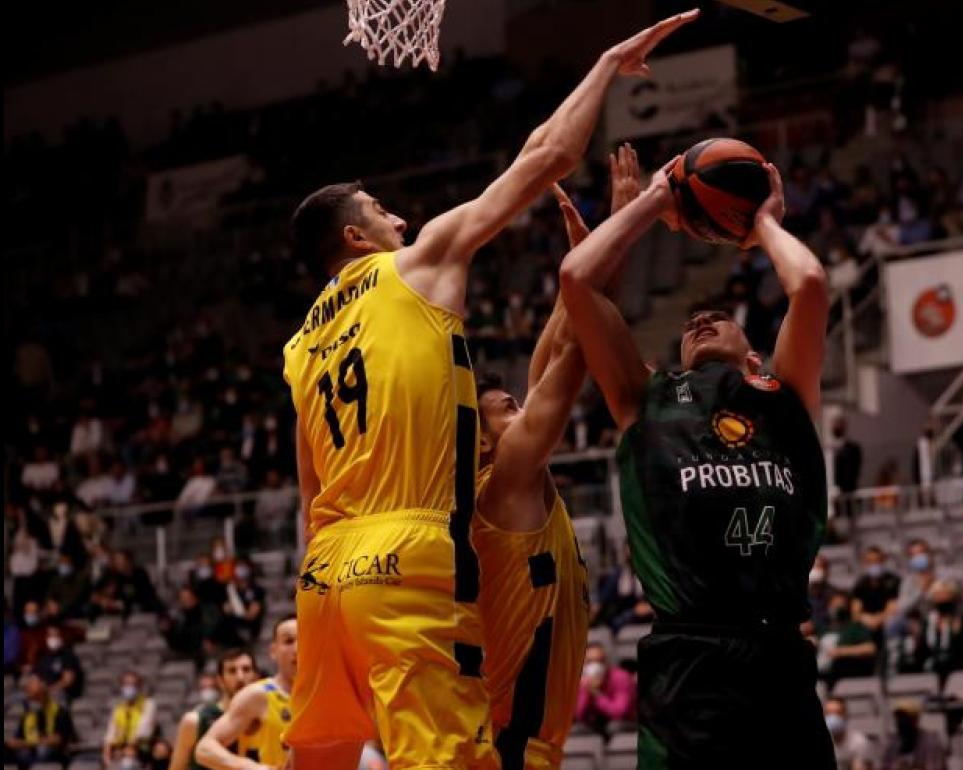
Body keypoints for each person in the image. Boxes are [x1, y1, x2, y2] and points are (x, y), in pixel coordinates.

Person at [279, 13, 698, 768]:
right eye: (381, 211)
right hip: (403, 551)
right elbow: (549, 155)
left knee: (322, 758)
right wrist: (603, 60)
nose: (402, 218)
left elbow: (310, 491)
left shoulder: (300, 344)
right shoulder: (413, 266)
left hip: (323, 572)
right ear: (355, 239)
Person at [559, 158, 834, 766]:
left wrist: (762, 222)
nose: (700, 319)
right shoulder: (644, 396)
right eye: (690, 325)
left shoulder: (784, 394)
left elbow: (810, 283)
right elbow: (577, 277)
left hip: (780, 658)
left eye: (718, 319)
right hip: (689, 658)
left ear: (755, 357)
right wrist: (654, 200)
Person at [471, 147, 642, 768]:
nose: (525, 407)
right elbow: (574, 364)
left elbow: (553, 355)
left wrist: (581, 267)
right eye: (506, 407)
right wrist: (613, 248)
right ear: (482, 439)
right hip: (509, 749)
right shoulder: (501, 486)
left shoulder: (514, 477)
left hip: (521, 744)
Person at [197, 616, 297, 770]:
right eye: (289, 641)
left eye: (305, 640)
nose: (297, 649)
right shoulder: (258, 695)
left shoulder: (331, 695)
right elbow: (205, 748)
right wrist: (254, 768)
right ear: (273, 650)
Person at [170, 649, 258, 770]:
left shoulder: (266, 718)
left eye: (246, 669)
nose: (240, 677)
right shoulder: (195, 721)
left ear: (256, 677)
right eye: (232, 671)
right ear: (220, 680)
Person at [4, 674, 75, 770]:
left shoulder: (59, 711)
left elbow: (57, 740)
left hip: (53, 757)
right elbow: (17, 740)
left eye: (31, 684)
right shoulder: (27, 715)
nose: (27, 688)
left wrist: (27, 744)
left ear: (43, 689)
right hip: (29, 755)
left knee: (43, 751)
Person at [922, 579, 963, 676]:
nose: (942, 599)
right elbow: (922, 651)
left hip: (959, 666)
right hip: (932, 666)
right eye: (938, 595)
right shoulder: (928, 621)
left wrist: (957, 634)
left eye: (946, 595)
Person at [573, 643, 638, 733]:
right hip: (595, 722)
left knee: (613, 726)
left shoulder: (621, 677)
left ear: (606, 662)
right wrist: (586, 690)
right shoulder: (581, 680)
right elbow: (579, 714)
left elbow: (619, 712)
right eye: (590, 662)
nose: (595, 666)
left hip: (626, 722)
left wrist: (596, 693)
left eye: (600, 661)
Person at [103, 671, 158, 766]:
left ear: (139, 687)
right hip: (120, 749)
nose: (129, 687)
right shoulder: (118, 708)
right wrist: (107, 751)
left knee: (127, 763)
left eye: (133, 684)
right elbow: (111, 731)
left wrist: (127, 749)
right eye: (126, 684)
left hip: (141, 748)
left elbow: (144, 731)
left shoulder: (148, 704)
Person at [880, 700, 945, 770]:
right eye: (898, 718)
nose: (900, 722)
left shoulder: (931, 741)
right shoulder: (893, 744)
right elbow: (885, 766)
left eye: (904, 718)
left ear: (915, 720)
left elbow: (934, 766)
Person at [850, 546, 899, 634]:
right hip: (866, 621)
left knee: (892, 623)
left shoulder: (893, 581)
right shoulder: (861, 583)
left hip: (886, 621)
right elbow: (856, 611)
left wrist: (877, 620)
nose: (874, 564)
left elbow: (893, 608)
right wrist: (866, 619)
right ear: (864, 563)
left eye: (877, 560)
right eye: (870, 562)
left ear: (883, 560)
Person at [33, 625, 84, 702]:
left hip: (62, 693)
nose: (53, 639)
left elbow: (68, 681)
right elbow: (36, 678)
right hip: (43, 693)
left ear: (60, 638)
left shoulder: (67, 656)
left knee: (54, 697)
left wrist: (49, 689)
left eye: (55, 636)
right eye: (50, 636)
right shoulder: (43, 658)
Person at [824, 697, 873, 770]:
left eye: (837, 713)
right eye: (829, 713)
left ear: (845, 715)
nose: (832, 717)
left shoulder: (859, 742)